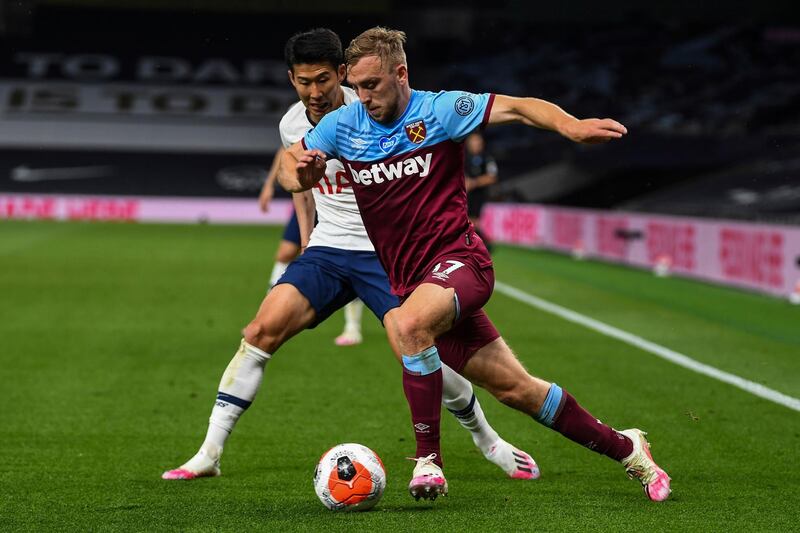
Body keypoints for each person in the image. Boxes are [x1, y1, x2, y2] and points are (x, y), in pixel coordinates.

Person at [280, 26, 671, 502]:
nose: (361, 97)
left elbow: (519, 105)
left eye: (372, 85)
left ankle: (428, 462)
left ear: (401, 74)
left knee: (406, 325)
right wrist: (301, 171)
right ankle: (630, 450)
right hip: (412, 282)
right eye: (357, 87)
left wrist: (570, 125)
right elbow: (292, 162)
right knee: (518, 391)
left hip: (461, 262)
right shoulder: (344, 124)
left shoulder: (440, 110)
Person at [162, 28, 539, 485]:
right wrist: (307, 239)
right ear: (291, 79)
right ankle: (209, 452)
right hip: (329, 248)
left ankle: (488, 440)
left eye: (323, 80)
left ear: (342, 73)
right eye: (303, 82)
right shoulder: (292, 125)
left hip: (389, 255)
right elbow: (303, 189)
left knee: (417, 349)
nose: (314, 92)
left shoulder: (373, 106)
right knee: (260, 331)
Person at [258, 144, 364, 345]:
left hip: (341, 203)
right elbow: (286, 152)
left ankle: (352, 326)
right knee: (285, 252)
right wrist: (269, 184)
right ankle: (269, 313)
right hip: (309, 197)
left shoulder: (346, 116)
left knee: (353, 257)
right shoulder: (292, 119)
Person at [464, 132, 498, 251]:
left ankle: (485, 245)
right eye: (473, 141)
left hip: (478, 194)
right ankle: (480, 244)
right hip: (464, 194)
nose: (475, 144)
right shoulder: (464, 157)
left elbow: (492, 177)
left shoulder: (487, 158)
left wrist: (474, 183)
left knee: (474, 220)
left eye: (477, 141)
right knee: (468, 220)